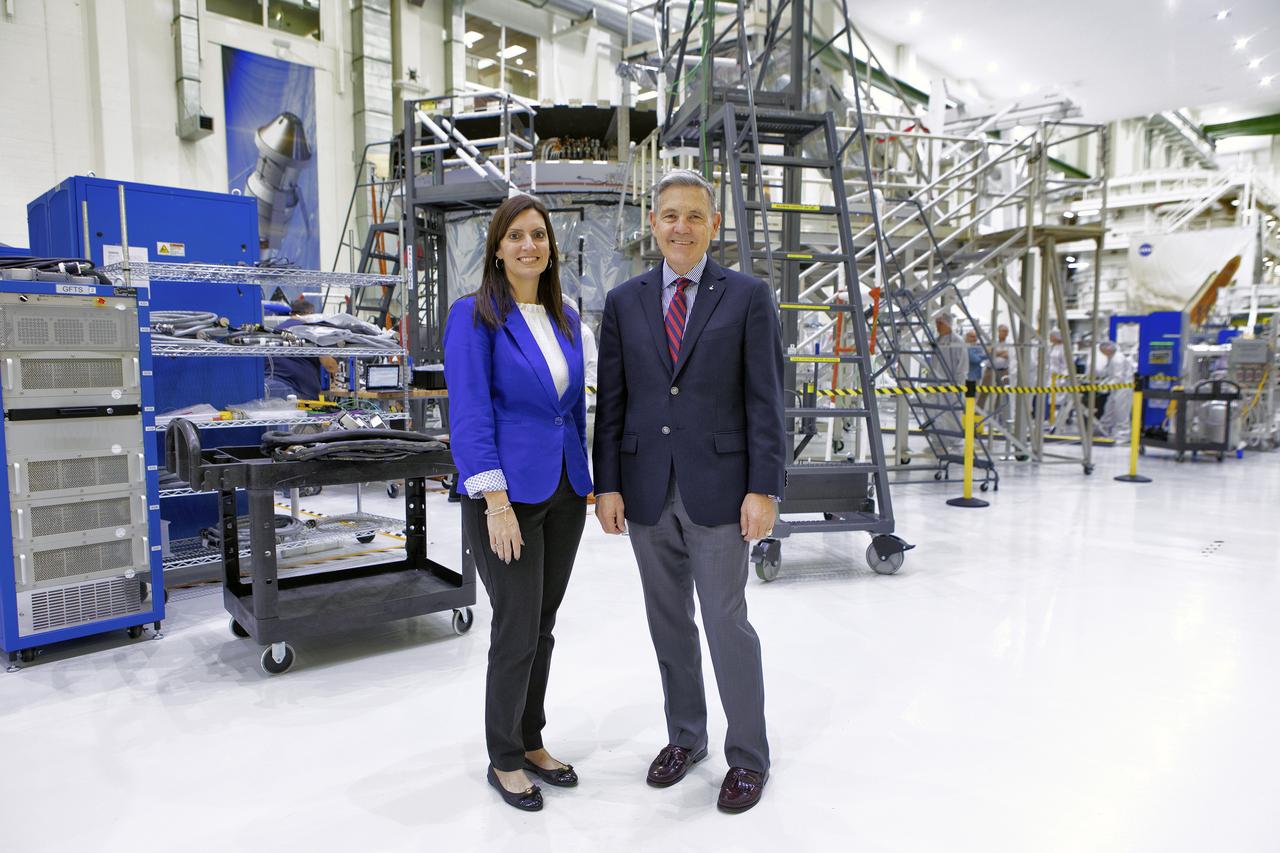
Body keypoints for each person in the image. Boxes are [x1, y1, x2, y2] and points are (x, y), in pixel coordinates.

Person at [593, 169, 785, 814]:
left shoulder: (748, 296)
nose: (682, 227)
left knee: (727, 621)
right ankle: (686, 737)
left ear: (714, 225)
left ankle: (748, 756)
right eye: (670, 215)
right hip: (646, 490)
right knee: (667, 620)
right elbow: (612, 403)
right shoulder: (625, 302)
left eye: (695, 216)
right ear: (653, 223)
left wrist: (764, 487)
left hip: (721, 490)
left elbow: (766, 399)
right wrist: (607, 484)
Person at [442, 194, 593, 812]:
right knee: (516, 627)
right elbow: (470, 415)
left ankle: (532, 740)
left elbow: (572, 409)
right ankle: (503, 757)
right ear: (498, 248)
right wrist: (496, 503)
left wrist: (589, 479)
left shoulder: (565, 318)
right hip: (507, 497)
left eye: (539, 235)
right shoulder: (474, 316)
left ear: (550, 247)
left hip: (564, 491)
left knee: (543, 624)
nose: (529, 245)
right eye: (516, 236)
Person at [266, 298, 339, 399]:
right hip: (298, 389)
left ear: (291, 313)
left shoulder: (276, 330)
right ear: (310, 314)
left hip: (268, 384)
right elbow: (330, 365)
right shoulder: (312, 331)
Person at [1098, 340, 1135, 441]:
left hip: (1123, 388)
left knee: (1121, 411)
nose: (1102, 353)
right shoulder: (1112, 357)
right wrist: (1104, 383)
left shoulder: (1118, 359)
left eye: (1102, 350)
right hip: (1117, 388)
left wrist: (1106, 386)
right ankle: (1105, 428)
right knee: (1109, 408)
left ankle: (1124, 433)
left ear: (1107, 349)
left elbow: (1118, 378)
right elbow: (1111, 375)